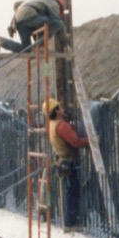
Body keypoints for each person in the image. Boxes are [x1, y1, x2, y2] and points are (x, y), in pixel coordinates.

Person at [46, 98, 88, 229]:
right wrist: (91, 140)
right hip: (68, 162)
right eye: (60, 107)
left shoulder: (51, 124)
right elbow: (76, 141)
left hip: (61, 162)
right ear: (57, 111)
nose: (63, 108)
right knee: (72, 192)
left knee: (68, 191)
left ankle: (69, 221)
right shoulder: (61, 126)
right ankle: (70, 223)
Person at [0, 0, 68, 52]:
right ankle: (39, 45)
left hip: (18, 20)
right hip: (29, 15)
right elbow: (58, 23)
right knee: (58, 23)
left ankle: (2, 41)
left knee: (26, 49)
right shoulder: (54, 4)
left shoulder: (37, 0)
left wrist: (11, 27)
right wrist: (65, 44)